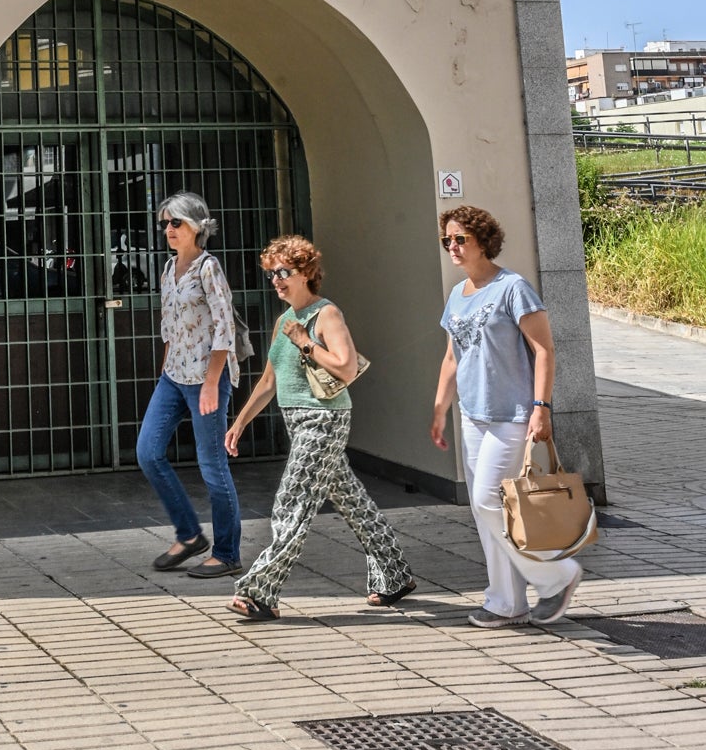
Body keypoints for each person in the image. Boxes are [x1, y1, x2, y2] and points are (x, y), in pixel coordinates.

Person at [224, 235, 415, 621]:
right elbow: (269, 381)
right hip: (296, 422)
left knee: (292, 501)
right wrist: (240, 422)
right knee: (352, 501)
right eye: (271, 273)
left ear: (305, 272)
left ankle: (260, 592)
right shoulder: (283, 321)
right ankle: (394, 575)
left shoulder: (326, 314)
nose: (276, 280)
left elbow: (346, 366)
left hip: (324, 420)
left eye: (283, 272)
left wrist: (306, 342)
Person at [431, 203, 581, 628]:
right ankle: (506, 602)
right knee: (485, 511)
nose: (452, 246)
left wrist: (541, 408)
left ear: (483, 240)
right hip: (474, 415)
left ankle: (557, 576)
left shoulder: (513, 287)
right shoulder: (457, 295)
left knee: (488, 501)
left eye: (460, 238)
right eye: (447, 240)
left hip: (513, 415)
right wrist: (440, 408)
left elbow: (544, 350)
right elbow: (452, 358)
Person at [135, 192, 244, 577]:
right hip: (173, 377)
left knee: (212, 466)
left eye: (176, 222)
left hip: (205, 379)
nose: (168, 229)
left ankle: (227, 554)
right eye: (165, 223)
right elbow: (169, 325)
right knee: (148, 452)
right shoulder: (168, 269)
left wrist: (213, 383)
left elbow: (225, 328)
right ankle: (190, 535)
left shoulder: (208, 268)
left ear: (197, 227)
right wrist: (164, 372)